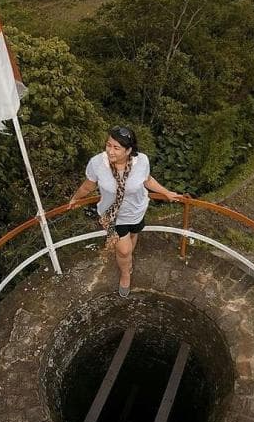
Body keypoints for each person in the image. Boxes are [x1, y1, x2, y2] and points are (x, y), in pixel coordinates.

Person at [68, 126, 182, 297]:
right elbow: (88, 186)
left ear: (129, 150)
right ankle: (125, 274)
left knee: (134, 235)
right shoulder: (98, 163)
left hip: (137, 210)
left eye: (116, 148)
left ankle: (127, 260)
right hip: (114, 215)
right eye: (108, 145)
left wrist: (166, 192)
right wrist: (75, 198)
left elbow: (148, 180)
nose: (110, 151)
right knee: (123, 250)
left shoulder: (141, 161)